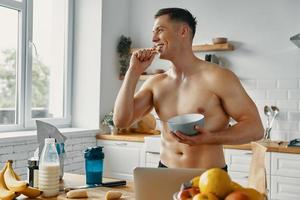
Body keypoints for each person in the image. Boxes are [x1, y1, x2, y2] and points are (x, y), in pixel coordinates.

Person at [113, 8, 264, 170]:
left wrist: (210, 137)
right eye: (153, 32)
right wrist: (133, 72)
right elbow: (121, 121)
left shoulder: (218, 78)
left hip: (207, 178)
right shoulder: (156, 83)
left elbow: (255, 128)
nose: (153, 38)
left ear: (183, 31)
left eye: (160, 30)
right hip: (165, 172)